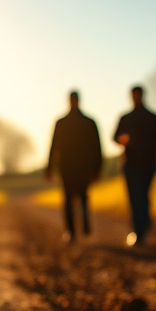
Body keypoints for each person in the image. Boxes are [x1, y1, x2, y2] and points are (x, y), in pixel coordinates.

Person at [113, 85, 156, 246]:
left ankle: (143, 225)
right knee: (135, 198)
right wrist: (122, 139)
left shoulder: (153, 118)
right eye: (134, 96)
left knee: (142, 197)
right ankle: (140, 231)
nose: (136, 98)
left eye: (138, 95)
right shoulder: (126, 118)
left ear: (142, 96)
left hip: (148, 164)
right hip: (130, 164)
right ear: (131, 97)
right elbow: (115, 137)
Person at [46, 90, 102, 242]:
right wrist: (97, 169)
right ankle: (82, 223)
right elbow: (97, 148)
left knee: (69, 199)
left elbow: (53, 147)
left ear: (70, 101)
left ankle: (71, 231)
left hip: (68, 167)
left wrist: (49, 168)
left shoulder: (61, 123)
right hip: (81, 167)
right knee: (82, 195)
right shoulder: (89, 122)